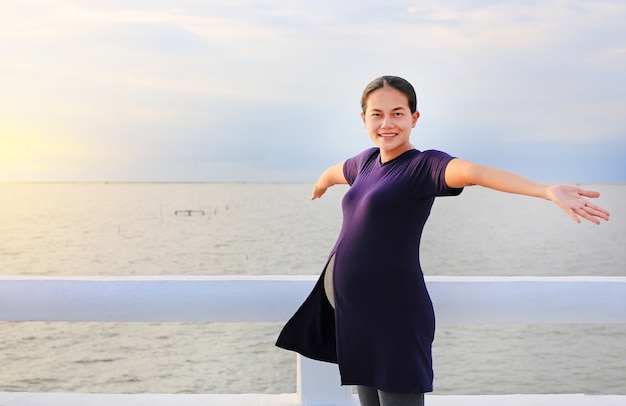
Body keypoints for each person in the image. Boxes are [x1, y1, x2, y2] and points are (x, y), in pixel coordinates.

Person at [276, 75, 611, 406]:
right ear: (364, 119)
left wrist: (545, 190)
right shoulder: (364, 163)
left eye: (397, 113)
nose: (387, 123)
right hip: (353, 314)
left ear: (414, 118)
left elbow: (476, 173)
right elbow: (335, 172)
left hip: (394, 314)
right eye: (377, 114)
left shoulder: (423, 167)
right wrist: (321, 183)